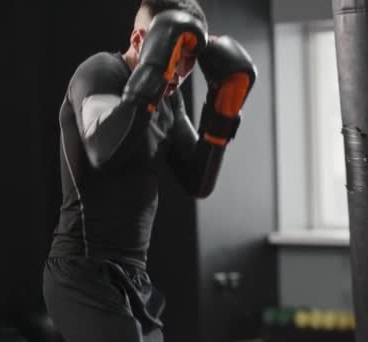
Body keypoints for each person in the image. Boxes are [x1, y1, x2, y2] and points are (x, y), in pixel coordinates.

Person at [42, 0, 257, 341]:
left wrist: (222, 110)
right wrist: (155, 72)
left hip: (134, 277)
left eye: (189, 59)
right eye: (175, 54)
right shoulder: (100, 72)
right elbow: (104, 151)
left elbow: (197, 179)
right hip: (82, 272)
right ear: (142, 40)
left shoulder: (169, 101)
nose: (181, 71)